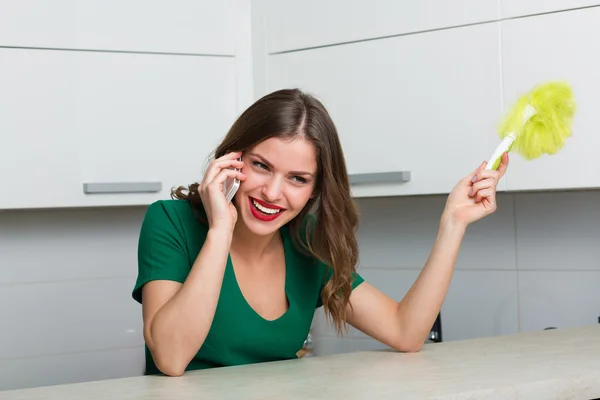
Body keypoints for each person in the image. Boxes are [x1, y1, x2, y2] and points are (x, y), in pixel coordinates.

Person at [131, 88, 509, 377]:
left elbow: (404, 331)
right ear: (232, 160)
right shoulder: (171, 222)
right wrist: (220, 231)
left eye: (298, 178)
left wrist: (453, 223)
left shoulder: (307, 241)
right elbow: (171, 357)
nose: (273, 193)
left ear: (315, 189)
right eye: (261, 166)